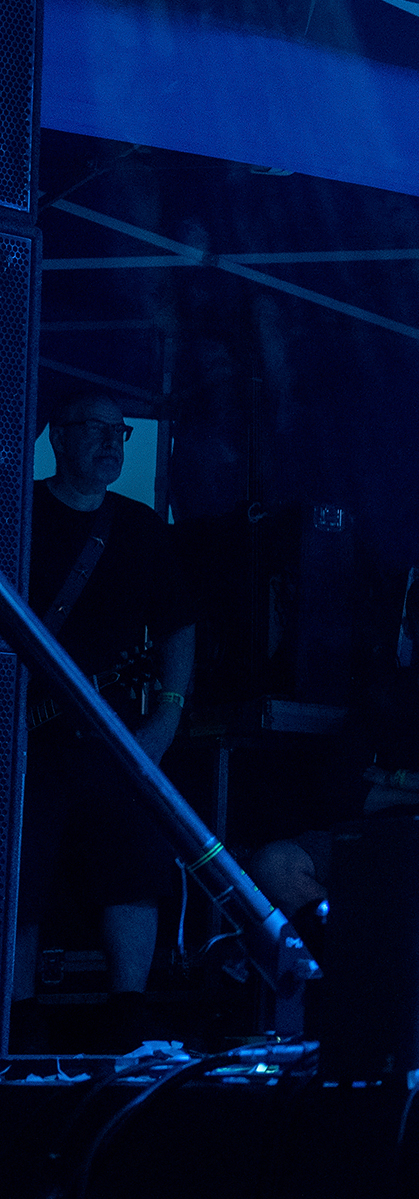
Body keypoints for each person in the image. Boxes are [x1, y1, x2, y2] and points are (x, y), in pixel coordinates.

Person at [12, 391, 196, 1051]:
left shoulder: (141, 528)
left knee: (136, 862)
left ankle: (128, 1011)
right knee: (20, 871)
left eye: (120, 431)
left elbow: (178, 627)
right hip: (23, 742)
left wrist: (165, 720)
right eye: (95, 427)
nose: (112, 441)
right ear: (57, 437)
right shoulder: (18, 513)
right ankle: (18, 1015)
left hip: (113, 739)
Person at [246, 573, 419, 923]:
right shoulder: (383, 695)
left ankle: (377, 937)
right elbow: (344, 790)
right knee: (273, 864)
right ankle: (362, 939)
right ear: (408, 627)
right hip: (380, 837)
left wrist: (393, 778)